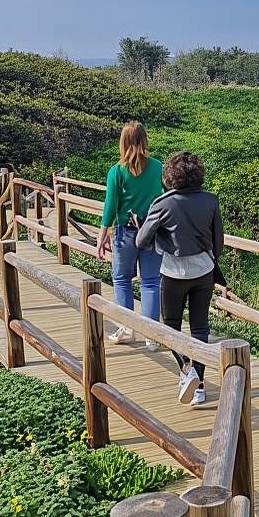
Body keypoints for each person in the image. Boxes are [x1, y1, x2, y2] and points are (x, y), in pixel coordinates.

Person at [136, 150, 223, 406]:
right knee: (200, 327)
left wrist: (159, 238)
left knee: (171, 326)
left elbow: (142, 240)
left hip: (174, 272)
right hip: (204, 270)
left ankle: (187, 370)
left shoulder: (162, 204)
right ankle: (201, 386)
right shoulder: (211, 200)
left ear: (169, 176)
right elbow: (219, 242)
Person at [97, 121, 163, 348]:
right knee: (151, 281)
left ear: (123, 142)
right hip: (152, 231)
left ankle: (126, 328)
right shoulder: (157, 167)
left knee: (122, 279)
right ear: (144, 139)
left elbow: (110, 205)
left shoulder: (117, 171)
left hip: (125, 231)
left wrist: (103, 233)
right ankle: (151, 335)